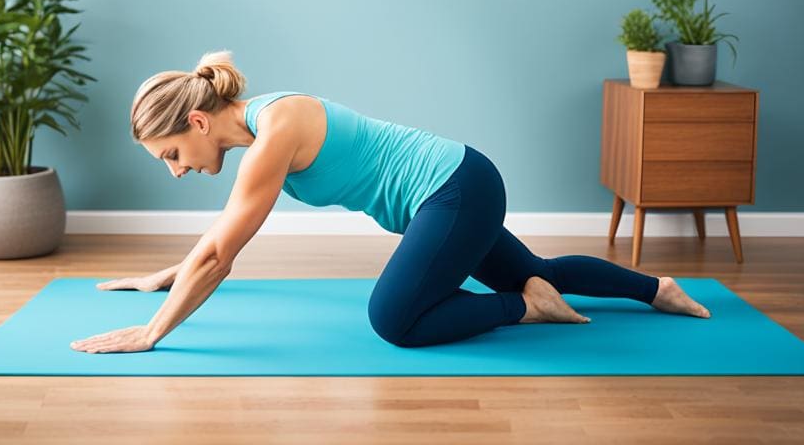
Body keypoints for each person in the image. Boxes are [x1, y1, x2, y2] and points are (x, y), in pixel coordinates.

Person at [70, 49, 710, 354]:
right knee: (535, 269)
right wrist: (164, 277)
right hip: (457, 191)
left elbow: (220, 252)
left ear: (198, 124)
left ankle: (524, 310)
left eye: (172, 156)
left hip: (455, 190)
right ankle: (658, 289)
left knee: (393, 320)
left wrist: (153, 333)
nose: (177, 172)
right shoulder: (260, 133)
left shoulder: (276, 129)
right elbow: (217, 240)